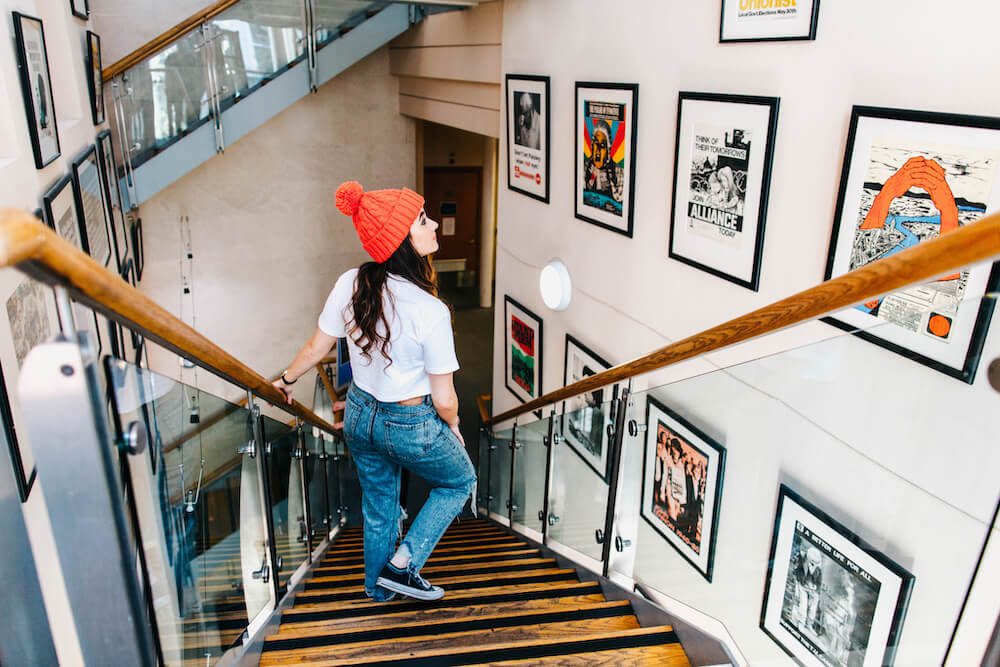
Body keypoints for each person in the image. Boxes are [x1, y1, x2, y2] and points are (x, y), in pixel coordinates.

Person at [273, 181, 476, 603]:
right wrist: (453, 427)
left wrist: (287, 381)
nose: (434, 223)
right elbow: (445, 400)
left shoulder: (352, 282)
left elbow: (316, 348)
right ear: (402, 239)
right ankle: (403, 565)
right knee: (460, 481)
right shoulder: (431, 311)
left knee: (379, 507)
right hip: (409, 422)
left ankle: (377, 593)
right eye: (423, 219)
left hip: (361, 415)